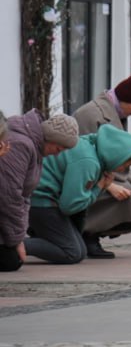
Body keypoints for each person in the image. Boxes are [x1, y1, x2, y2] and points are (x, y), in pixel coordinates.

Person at [72, 71, 131, 258]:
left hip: (104, 176)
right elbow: (81, 159)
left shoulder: (114, 113)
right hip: (88, 179)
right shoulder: (90, 114)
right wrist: (109, 186)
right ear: (125, 99)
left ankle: (91, 234)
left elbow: (121, 159)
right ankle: (88, 233)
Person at [26, 125, 131, 264]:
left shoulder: (91, 146)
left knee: (80, 251)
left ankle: (38, 238)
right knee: (72, 253)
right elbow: (70, 206)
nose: (122, 169)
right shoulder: (88, 161)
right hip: (40, 201)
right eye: (125, 165)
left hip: (41, 198)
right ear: (116, 154)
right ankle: (12, 246)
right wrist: (100, 186)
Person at [0, 111, 79, 271]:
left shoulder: (36, 148)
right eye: (59, 148)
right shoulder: (22, 145)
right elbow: (10, 197)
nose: (58, 154)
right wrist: (16, 241)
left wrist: (18, 237)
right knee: (11, 261)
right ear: (50, 138)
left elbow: (25, 195)